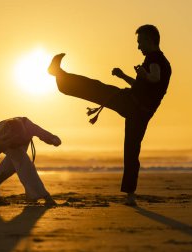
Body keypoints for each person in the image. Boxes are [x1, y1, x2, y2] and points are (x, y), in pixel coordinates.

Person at [48, 24, 171, 206]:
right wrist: (123, 76)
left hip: (133, 105)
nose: (138, 47)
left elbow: (155, 77)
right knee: (131, 150)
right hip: (140, 112)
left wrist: (145, 74)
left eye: (140, 42)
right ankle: (130, 195)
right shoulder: (156, 60)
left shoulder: (155, 59)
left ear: (150, 40)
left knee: (96, 88)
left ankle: (60, 76)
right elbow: (143, 86)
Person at [0, 117, 61, 207]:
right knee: (22, 162)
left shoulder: (29, 126)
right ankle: (45, 196)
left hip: (21, 132)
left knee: (17, 160)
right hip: (4, 134)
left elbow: (43, 134)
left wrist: (53, 139)